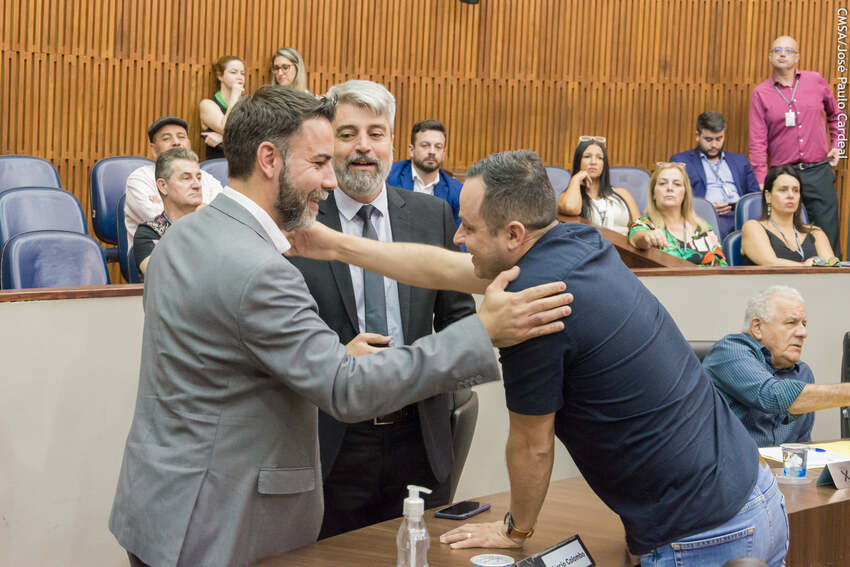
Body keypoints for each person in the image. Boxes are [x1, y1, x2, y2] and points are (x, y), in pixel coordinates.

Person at [108, 86, 572, 567]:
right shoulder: (260, 269)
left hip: (160, 506)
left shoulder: (182, 234)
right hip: (219, 521)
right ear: (269, 159)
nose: (332, 179)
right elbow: (344, 388)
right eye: (319, 162)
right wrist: (482, 332)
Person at [287, 149, 788, 566]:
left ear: (513, 235)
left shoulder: (533, 311)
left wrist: (516, 530)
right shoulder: (577, 242)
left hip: (703, 537)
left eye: (468, 228)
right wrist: (336, 246)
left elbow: (532, 446)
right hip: (757, 498)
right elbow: (446, 268)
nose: (458, 238)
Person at [290, 80, 474, 538]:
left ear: (394, 142)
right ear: (328, 142)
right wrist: (337, 358)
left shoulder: (432, 215)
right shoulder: (299, 225)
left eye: (376, 133)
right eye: (348, 133)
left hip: (421, 437)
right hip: (334, 441)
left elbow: (459, 317)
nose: (363, 147)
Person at [749, 35, 843, 253]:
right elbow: (757, 142)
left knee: (827, 233)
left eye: (788, 50)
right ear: (770, 57)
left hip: (818, 171)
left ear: (797, 57)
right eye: (777, 50)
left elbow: (837, 115)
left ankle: (831, 272)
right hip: (783, 174)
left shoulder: (815, 81)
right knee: (786, 237)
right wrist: (762, 181)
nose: (782, 54)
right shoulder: (761, 93)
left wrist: (838, 145)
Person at [703, 286, 817, 447]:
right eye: (791, 323)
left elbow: (802, 446)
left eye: (804, 324)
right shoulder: (728, 352)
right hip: (730, 461)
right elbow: (773, 396)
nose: (803, 333)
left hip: (779, 464)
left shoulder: (803, 373)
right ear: (757, 327)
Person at [124, 116, 222, 242]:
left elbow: (222, 221)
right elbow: (163, 222)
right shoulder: (139, 179)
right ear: (153, 149)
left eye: (181, 137)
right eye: (166, 138)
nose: (176, 142)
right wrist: (202, 210)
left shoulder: (209, 179)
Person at [670, 111, 760, 238]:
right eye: (708, 140)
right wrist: (705, 207)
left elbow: (755, 196)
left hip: (740, 216)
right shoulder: (681, 161)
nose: (714, 145)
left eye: (719, 139)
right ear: (697, 136)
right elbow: (676, 198)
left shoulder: (740, 161)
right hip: (705, 216)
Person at [628, 162, 727, 266]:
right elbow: (636, 238)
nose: (670, 188)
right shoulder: (645, 225)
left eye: (677, 184)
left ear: (685, 194)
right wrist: (647, 236)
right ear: (653, 193)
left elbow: (722, 266)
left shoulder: (703, 228)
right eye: (662, 183)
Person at [741, 165, 839, 266]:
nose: (791, 195)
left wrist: (833, 263)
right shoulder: (753, 227)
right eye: (783, 190)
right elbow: (770, 262)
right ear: (768, 196)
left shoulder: (815, 232)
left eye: (796, 190)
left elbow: (830, 267)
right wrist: (806, 266)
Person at [133, 148, 203, 276]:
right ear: (163, 186)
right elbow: (161, 277)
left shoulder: (214, 225)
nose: (197, 185)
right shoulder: (149, 233)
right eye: (186, 178)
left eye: (199, 178)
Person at [387, 120, 464, 227]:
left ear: (443, 153)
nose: (432, 151)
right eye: (425, 145)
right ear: (411, 150)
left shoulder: (456, 191)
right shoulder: (389, 176)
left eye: (438, 147)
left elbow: (459, 233)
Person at [557, 137, 640, 234]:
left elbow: (641, 226)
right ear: (578, 161)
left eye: (599, 158)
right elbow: (570, 207)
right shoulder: (567, 197)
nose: (593, 162)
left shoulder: (622, 193)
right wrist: (576, 179)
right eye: (587, 156)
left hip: (622, 243)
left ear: (604, 164)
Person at [199, 55, 246, 159]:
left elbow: (256, 139)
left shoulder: (248, 105)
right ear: (220, 76)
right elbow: (226, 128)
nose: (240, 77)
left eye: (242, 73)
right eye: (233, 72)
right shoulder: (207, 104)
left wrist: (223, 139)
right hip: (218, 164)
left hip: (243, 163)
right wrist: (234, 96)